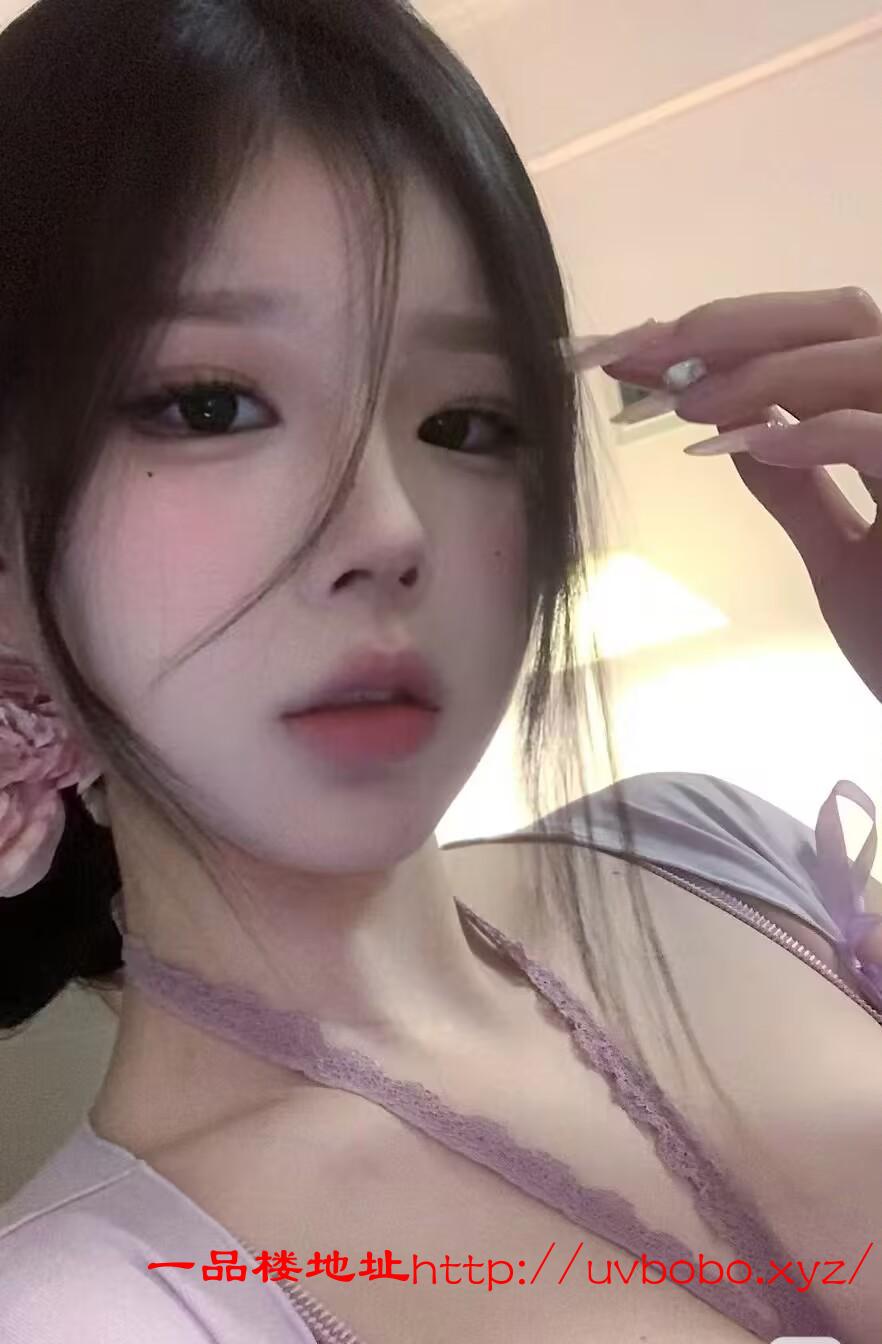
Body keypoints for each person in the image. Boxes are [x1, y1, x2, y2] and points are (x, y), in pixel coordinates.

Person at [0, 1, 880, 1340]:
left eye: (467, 420)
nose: (392, 528)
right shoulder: (94, 1312)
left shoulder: (719, 849)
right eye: (208, 404)